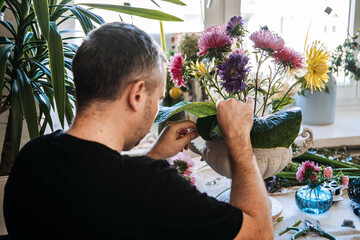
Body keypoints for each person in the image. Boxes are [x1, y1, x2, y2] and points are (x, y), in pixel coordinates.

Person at [4, 22, 273, 239]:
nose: (157, 108)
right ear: (136, 95)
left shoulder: (31, 157)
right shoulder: (152, 186)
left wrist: (155, 155)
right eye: (156, 99)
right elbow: (259, 233)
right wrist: (238, 136)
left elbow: (102, 188)